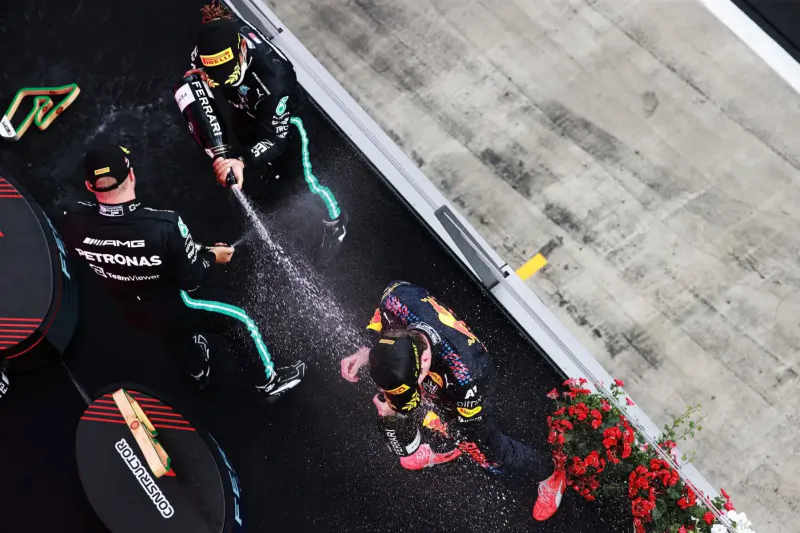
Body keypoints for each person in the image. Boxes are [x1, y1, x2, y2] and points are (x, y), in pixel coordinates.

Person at [57, 143, 305, 399]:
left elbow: (123, 244)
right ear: (131, 175)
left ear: (89, 186)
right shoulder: (165, 225)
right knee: (240, 321)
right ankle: (267, 382)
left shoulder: (71, 219)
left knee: (170, 332)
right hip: (177, 303)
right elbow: (192, 279)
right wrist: (212, 256)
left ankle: (197, 372)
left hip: (135, 310)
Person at [340, 281, 568, 521]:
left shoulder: (467, 379)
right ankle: (444, 447)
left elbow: (465, 422)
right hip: (443, 374)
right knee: (429, 414)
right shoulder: (396, 301)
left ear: (425, 359)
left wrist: (448, 427)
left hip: (468, 395)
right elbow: (381, 323)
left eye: (414, 385)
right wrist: (365, 352)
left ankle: (550, 474)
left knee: (485, 453)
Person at [184, 5, 348, 264]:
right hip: (246, 110)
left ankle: (336, 221)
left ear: (242, 51)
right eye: (214, 76)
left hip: (285, 122)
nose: (220, 81)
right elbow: (193, 71)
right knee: (256, 155)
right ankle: (270, 174)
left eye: (226, 75)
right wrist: (198, 80)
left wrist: (241, 161)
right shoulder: (210, 45)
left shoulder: (275, 80)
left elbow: (276, 138)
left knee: (305, 179)